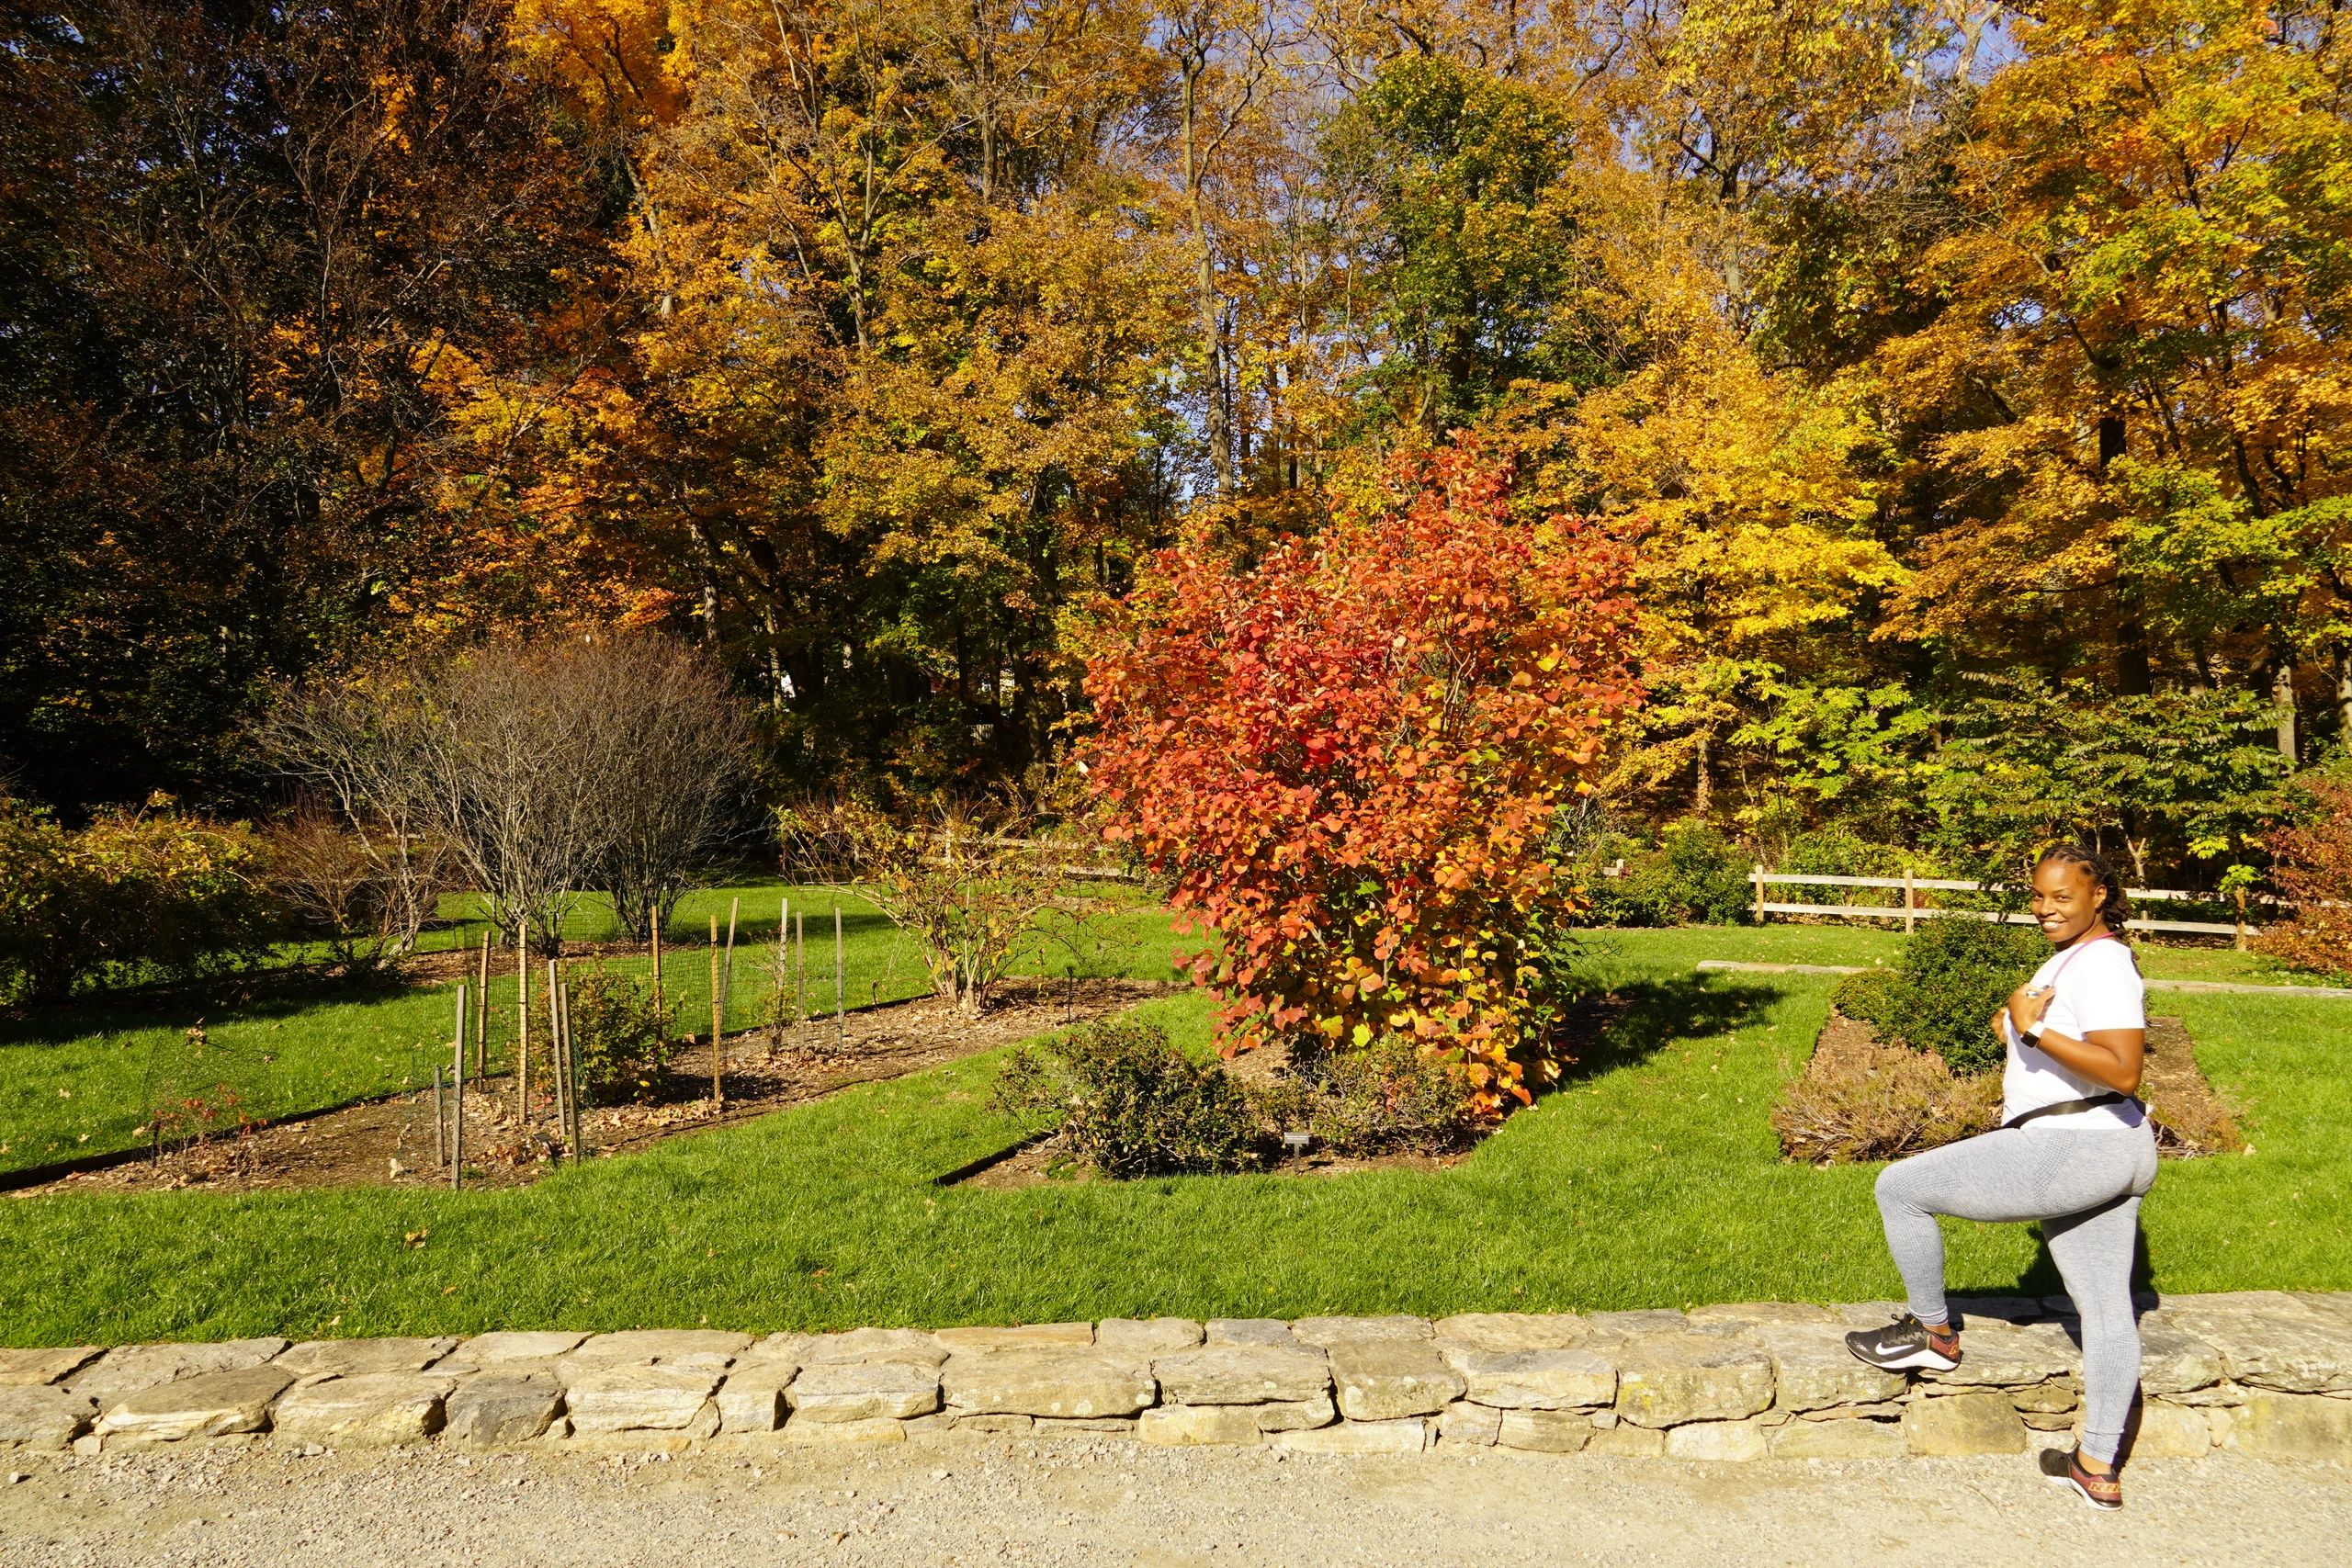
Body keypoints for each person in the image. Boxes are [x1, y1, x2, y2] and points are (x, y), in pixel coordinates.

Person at [1844, 843, 2158, 1510]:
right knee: (2105, 1306)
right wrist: (2017, 1033)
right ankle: (2096, 1464)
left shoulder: (2102, 961)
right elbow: (2066, 1042)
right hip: (2113, 1144)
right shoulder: (2075, 956)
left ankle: (1933, 1332)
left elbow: (2124, 1067)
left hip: (2074, 1144)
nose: (2045, 908)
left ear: (2098, 894)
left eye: (2061, 897)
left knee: (1899, 1187)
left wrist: (2033, 1029)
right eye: (2038, 896)